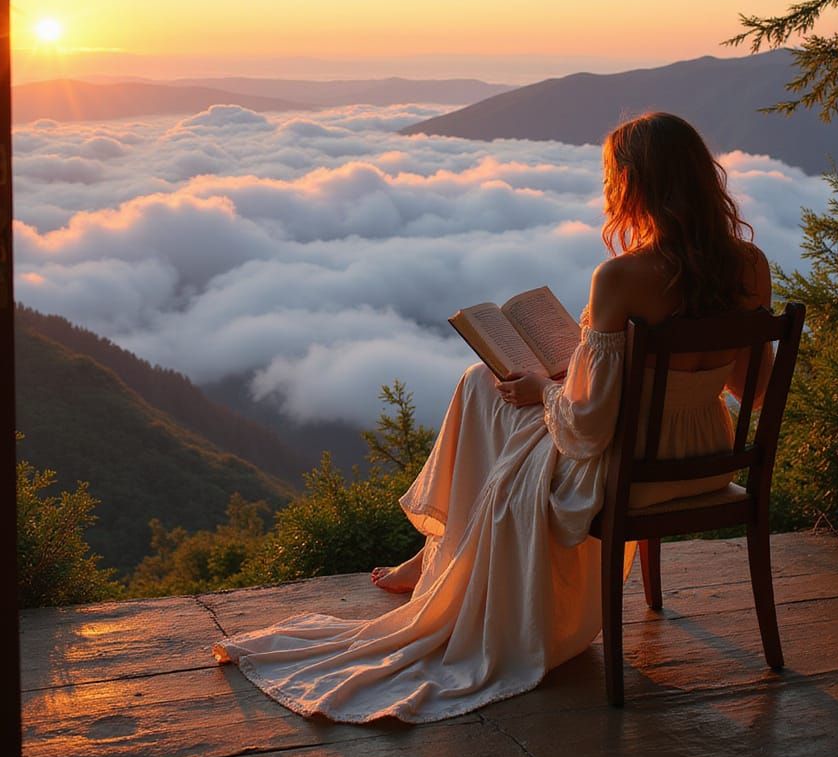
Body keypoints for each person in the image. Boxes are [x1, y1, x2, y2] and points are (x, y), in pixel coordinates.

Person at [213, 112, 774, 724]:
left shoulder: (620, 277)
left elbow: (588, 429)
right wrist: (650, 385)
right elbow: (757, 391)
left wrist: (544, 389)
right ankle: (436, 557)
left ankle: (439, 554)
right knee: (491, 393)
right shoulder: (749, 266)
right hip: (705, 463)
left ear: (634, 183)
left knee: (482, 385)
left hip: (629, 472)